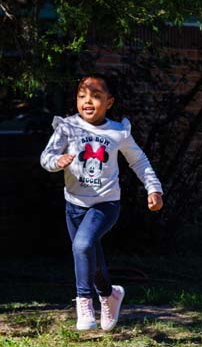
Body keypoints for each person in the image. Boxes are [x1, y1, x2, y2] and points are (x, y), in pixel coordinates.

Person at [40, 74, 164, 331]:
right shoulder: (67, 127)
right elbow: (47, 156)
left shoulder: (118, 131)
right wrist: (57, 162)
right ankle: (110, 294)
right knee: (89, 254)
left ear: (109, 102)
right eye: (82, 96)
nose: (88, 101)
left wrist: (154, 188)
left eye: (96, 96)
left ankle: (84, 302)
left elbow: (139, 161)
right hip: (74, 204)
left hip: (105, 204)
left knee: (83, 244)